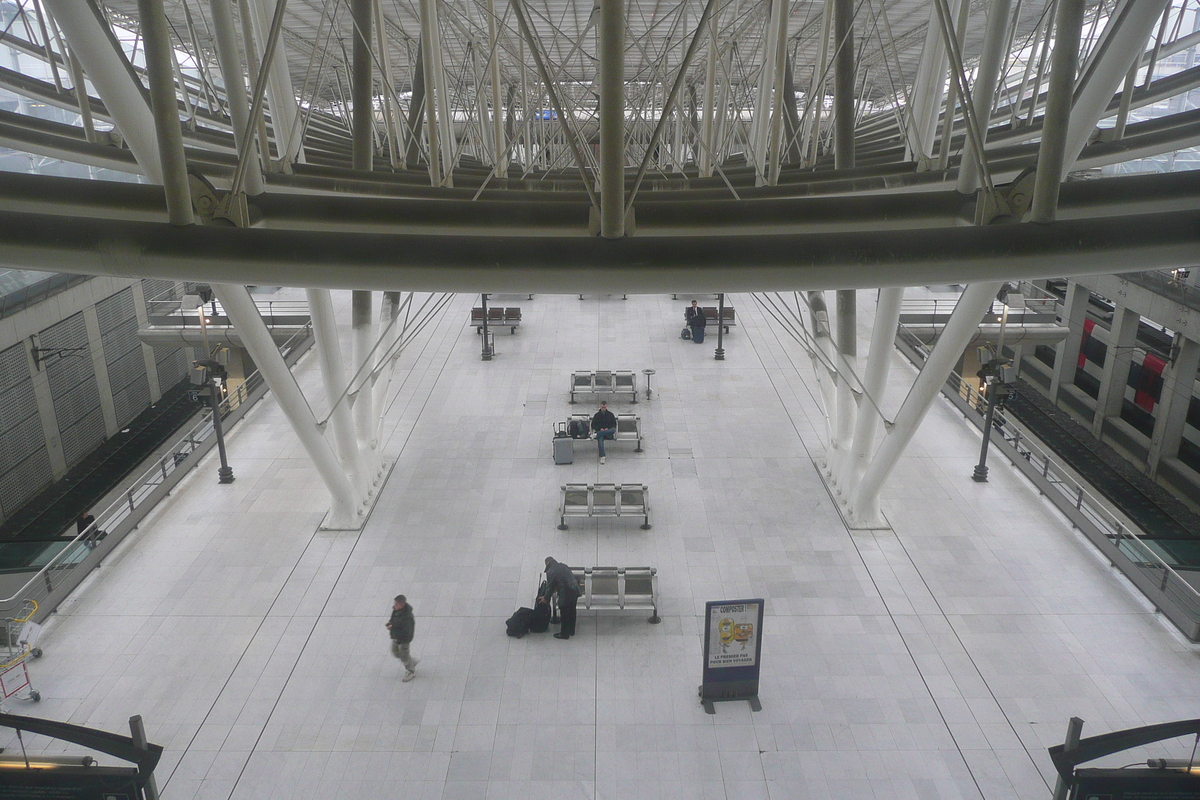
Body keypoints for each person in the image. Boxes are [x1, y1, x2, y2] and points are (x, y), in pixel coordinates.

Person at [540, 557, 580, 639]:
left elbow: (550, 587)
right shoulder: (563, 565)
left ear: (547, 564)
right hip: (575, 590)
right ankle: (572, 631)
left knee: (564, 612)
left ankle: (564, 634)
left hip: (565, 593)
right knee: (572, 610)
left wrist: (546, 598)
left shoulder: (550, 571)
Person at [386, 594, 419, 681]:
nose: (394, 606)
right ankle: (410, 662)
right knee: (395, 651)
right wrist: (390, 623)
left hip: (403, 639)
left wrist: (393, 627)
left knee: (404, 656)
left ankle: (411, 671)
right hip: (396, 637)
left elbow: (406, 631)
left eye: (396, 604)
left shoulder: (407, 617)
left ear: (402, 605)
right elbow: (394, 619)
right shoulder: (396, 611)